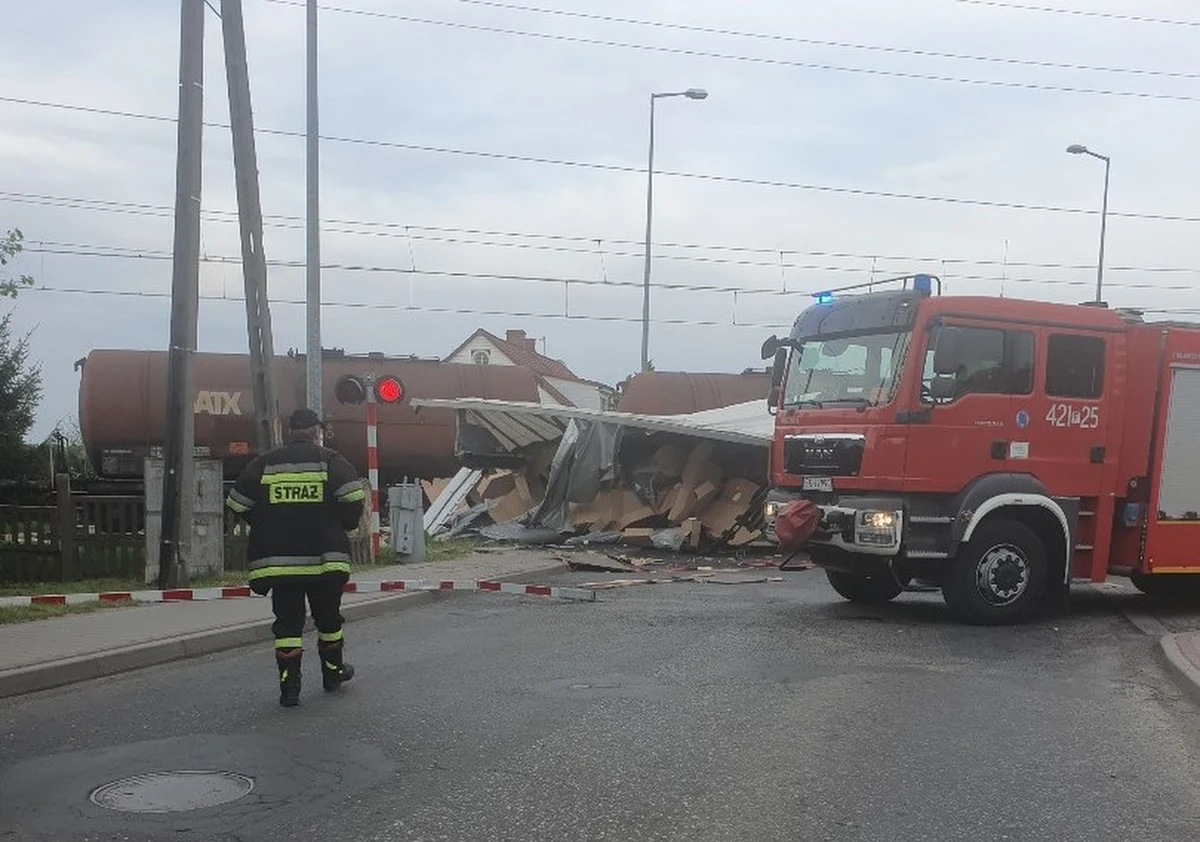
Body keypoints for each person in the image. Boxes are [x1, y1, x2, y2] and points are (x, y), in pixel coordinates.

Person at [225, 408, 366, 707]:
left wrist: (263, 520)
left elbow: (236, 502)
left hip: (281, 564)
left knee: (287, 625)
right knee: (329, 621)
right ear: (317, 431)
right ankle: (333, 674)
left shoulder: (265, 463)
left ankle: (290, 689)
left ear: (290, 432)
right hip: (324, 561)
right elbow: (354, 496)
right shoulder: (330, 460)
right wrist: (343, 523)